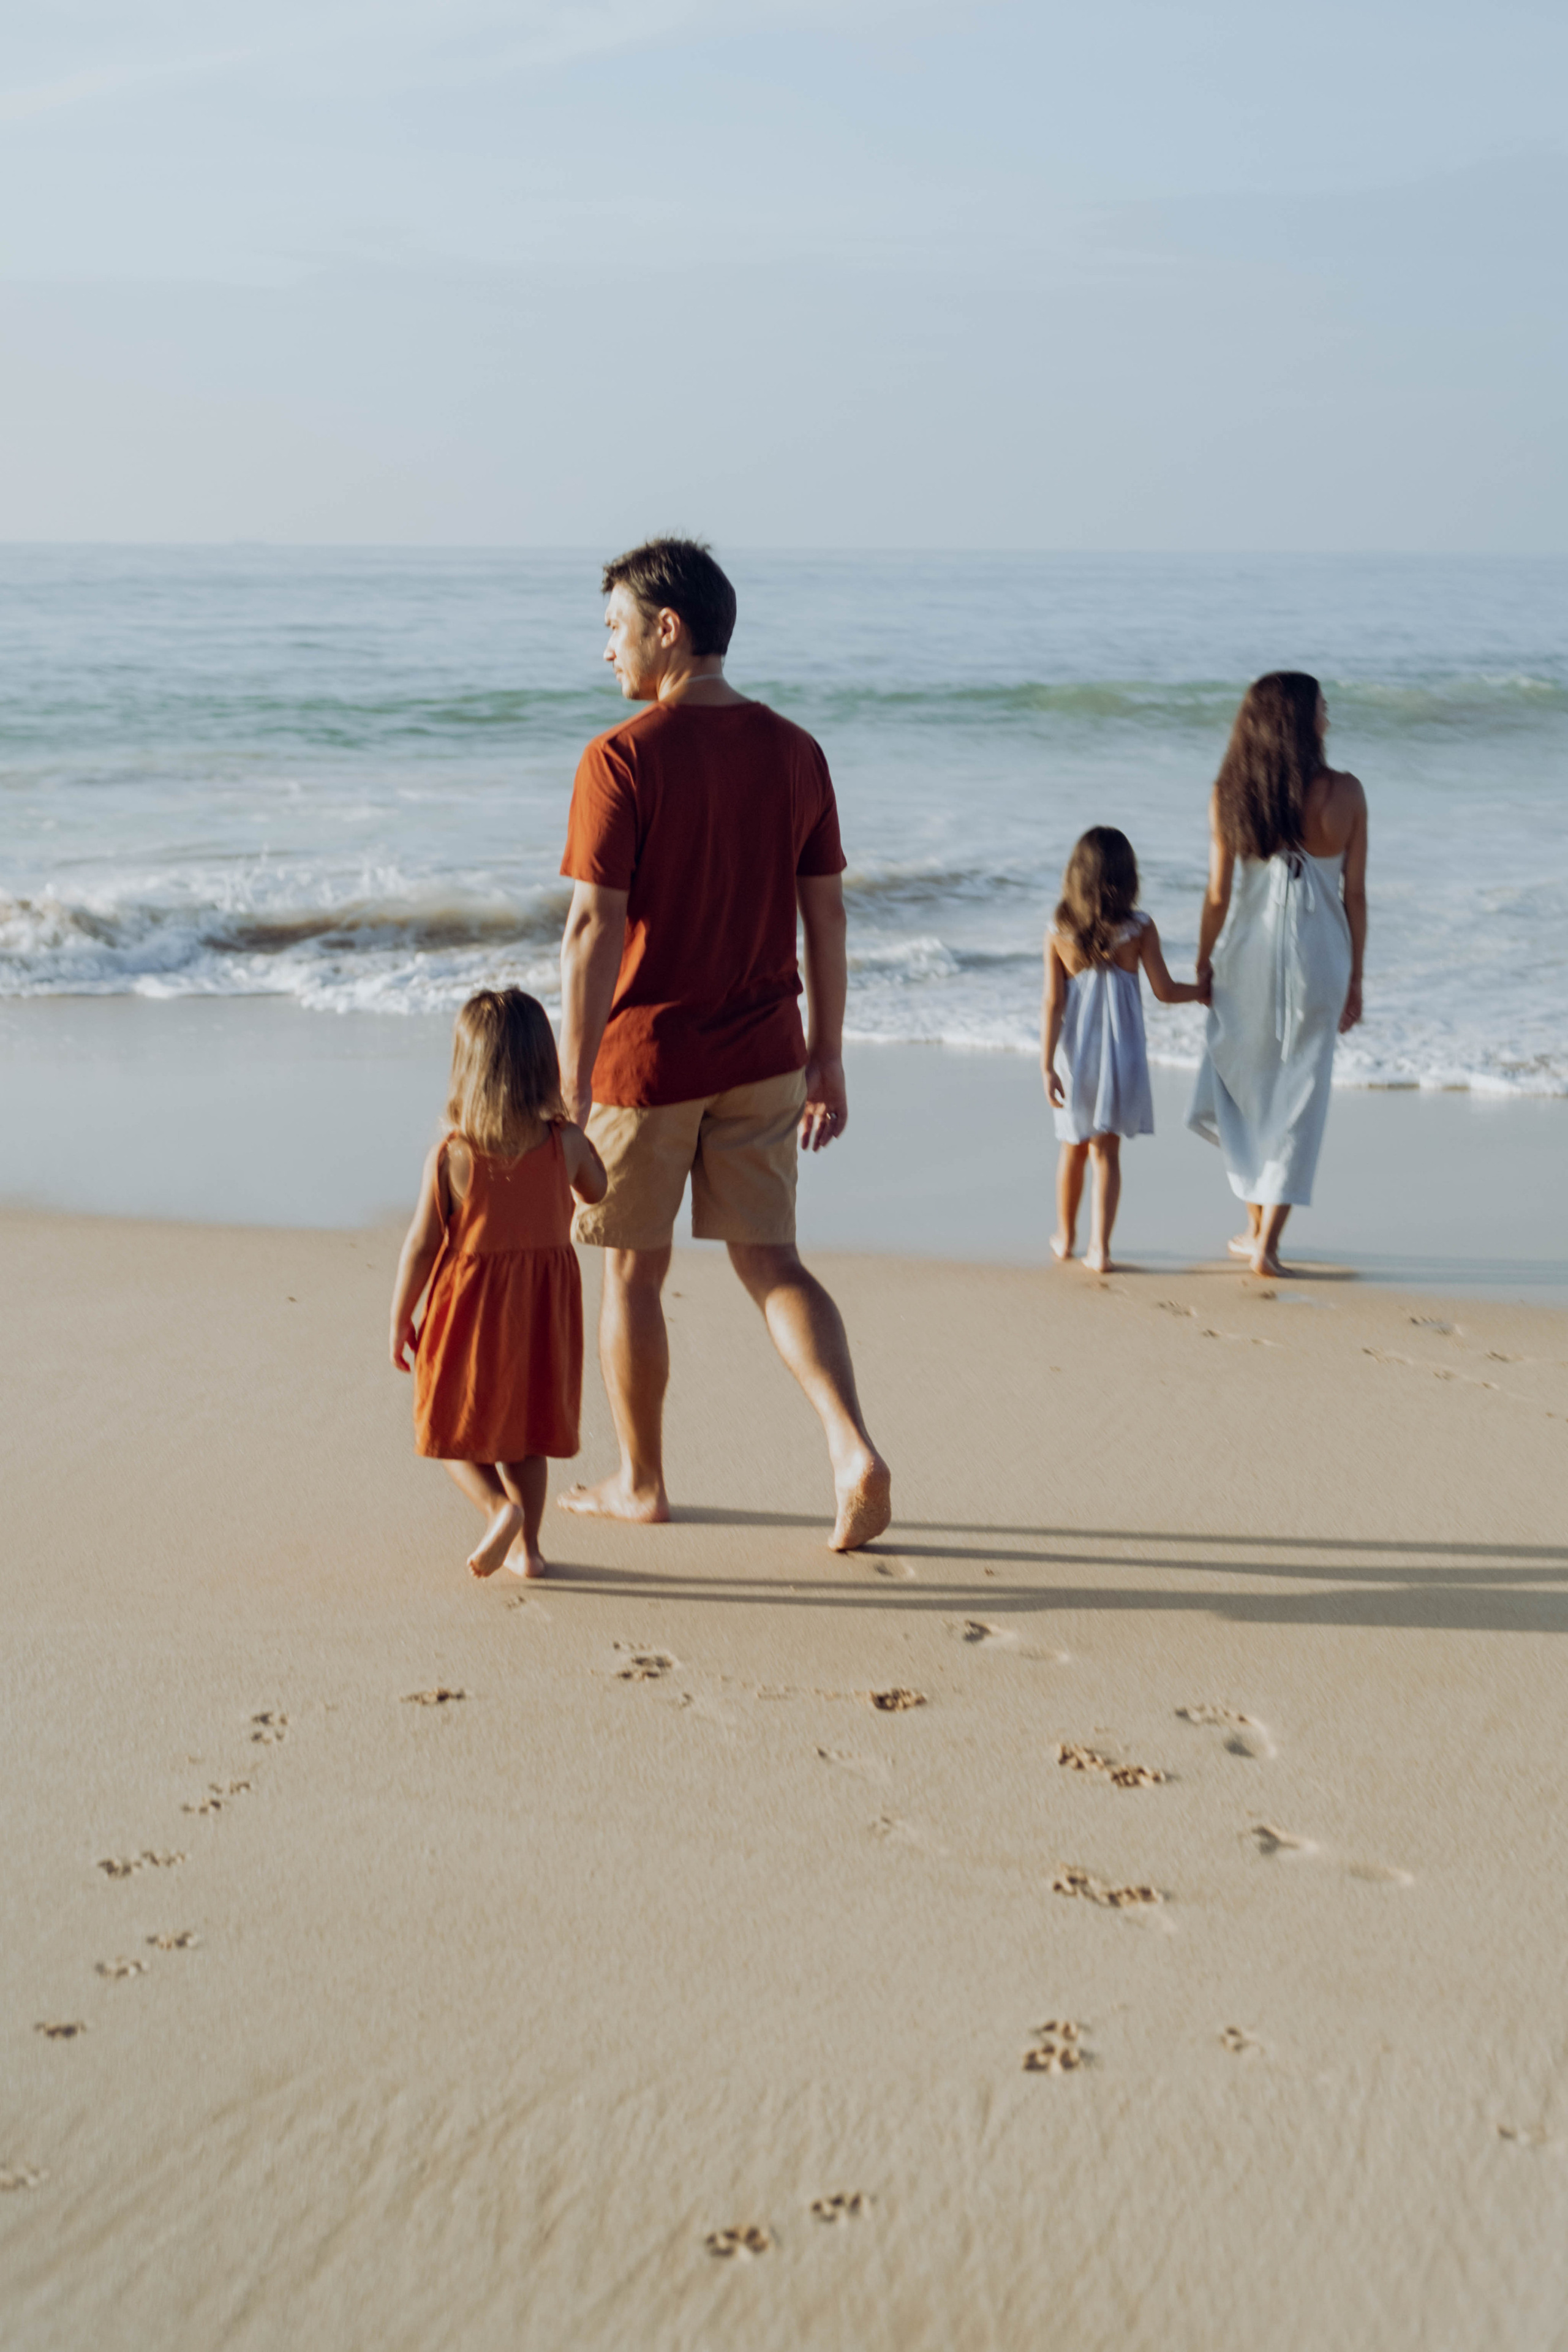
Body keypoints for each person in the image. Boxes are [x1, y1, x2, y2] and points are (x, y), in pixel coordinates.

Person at [554, 537, 891, 1552]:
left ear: (670, 628)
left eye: (616, 627)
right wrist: (828, 1053)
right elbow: (826, 918)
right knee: (774, 1262)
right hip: (765, 1054)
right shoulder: (797, 752)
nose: (605, 650)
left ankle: (642, 1482)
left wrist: (568, 1097)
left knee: (632, 1275)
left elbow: (591, 930)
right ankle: (850, 1445)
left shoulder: (620, 758)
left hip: (646, 1063)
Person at [389, 988, 607, 1580]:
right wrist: (577, 1143)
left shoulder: (453, 1157)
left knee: (447, 1427)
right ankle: (529, 1551)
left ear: (468, 1071)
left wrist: (400, 1319)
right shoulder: (566, 1144)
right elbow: (599, 1190)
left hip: (471, 1310)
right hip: (541, 1312)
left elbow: (420, 1246)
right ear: (545, 1067)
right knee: (527, 1437)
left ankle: (496, 1508)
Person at [1187, 671, 1368, 1278]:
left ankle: (1255, 1226)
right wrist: (1357, 978)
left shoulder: (1230, 792)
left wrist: (1202, 960)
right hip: (1321, 954)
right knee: (1302, 1096)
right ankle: (1264, 1240)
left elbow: (1217, 894)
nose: (1328, 715)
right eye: (1321, 706)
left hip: (1247, 953)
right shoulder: (1346, 793)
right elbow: (1355, 896)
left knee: (1240, 1082)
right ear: (1297, 719)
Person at [1042, 826, 1202, 1272]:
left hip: (1073, 1056)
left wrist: (1046, 1067)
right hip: (1122, 1055)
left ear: (1076, 874)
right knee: (1106, 1153)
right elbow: (1166, 991)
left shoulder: (1059, 931)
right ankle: (1100, 1249)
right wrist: (1205, 992)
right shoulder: (1139, 928)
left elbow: (1053, 1003)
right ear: (1127, 876)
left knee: (1071, 1146)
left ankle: (1065, 1236)